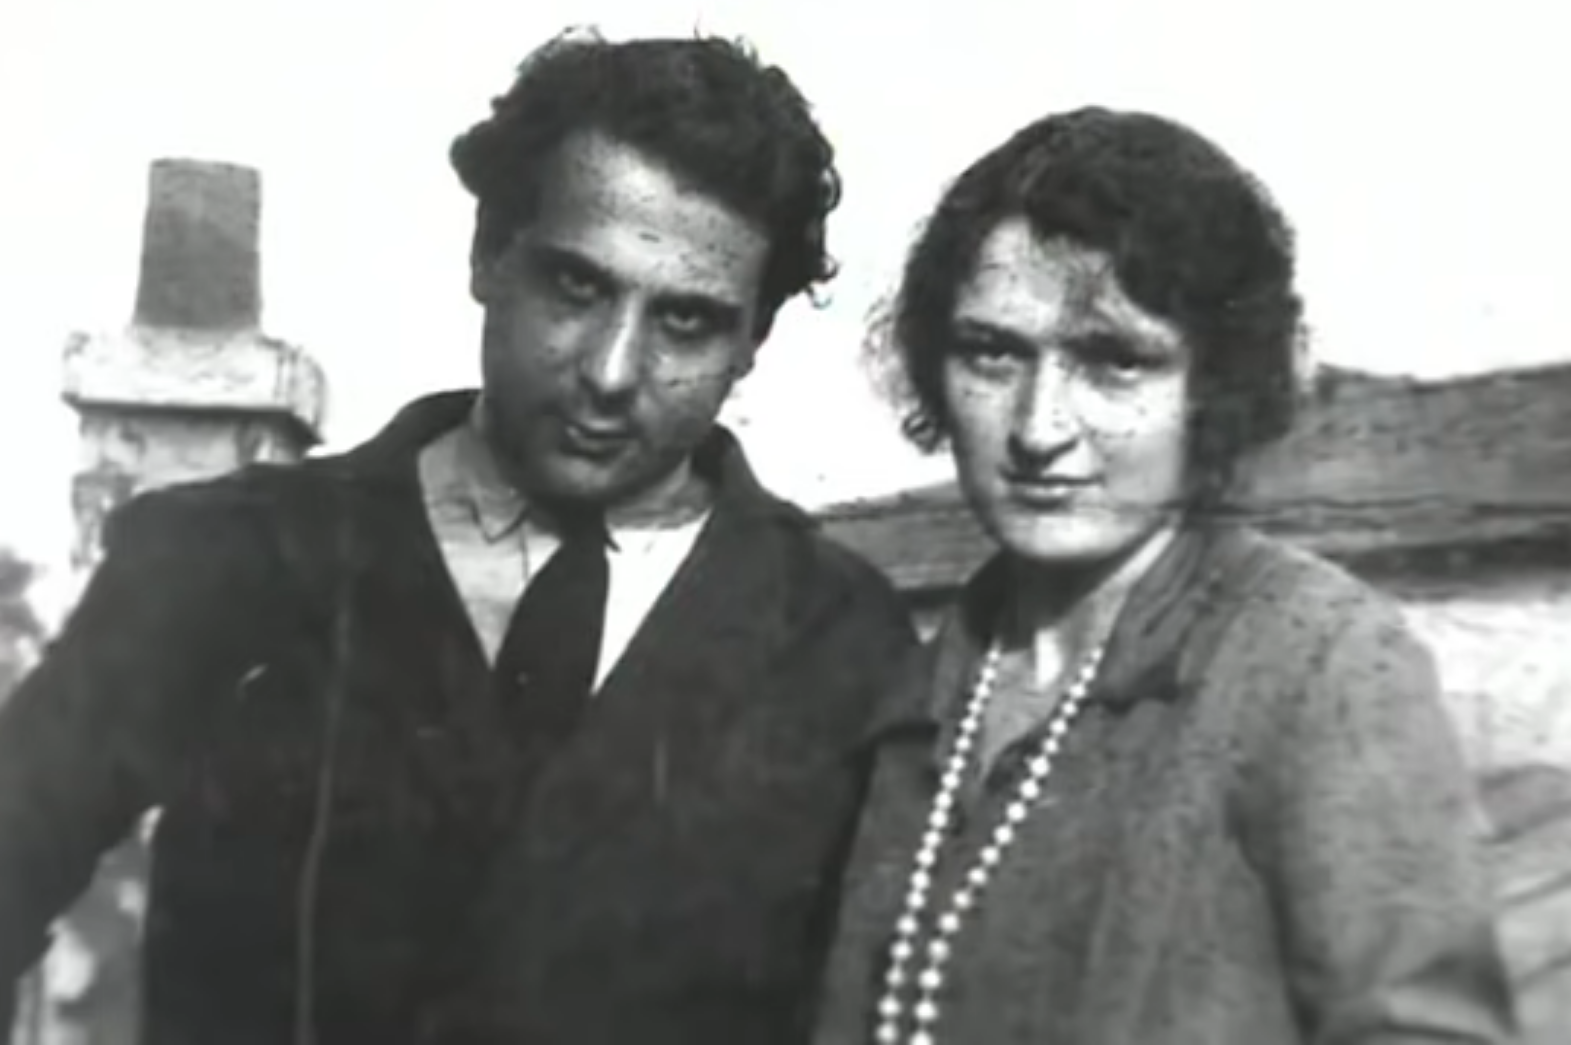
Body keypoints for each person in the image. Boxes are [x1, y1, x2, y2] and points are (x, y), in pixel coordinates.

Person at [0, 31, 918, 1045]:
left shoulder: (840, 641)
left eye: (686, 322)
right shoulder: (230, 556)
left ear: (751, 343)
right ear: (488, 257)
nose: (611, 372)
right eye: (576, 287)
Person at [811, 108, 1518, 1045]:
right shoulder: (922, 687)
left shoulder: (1321, 665)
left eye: (1114, 361)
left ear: (1214, 387)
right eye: (993, 352)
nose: (1037, 426)